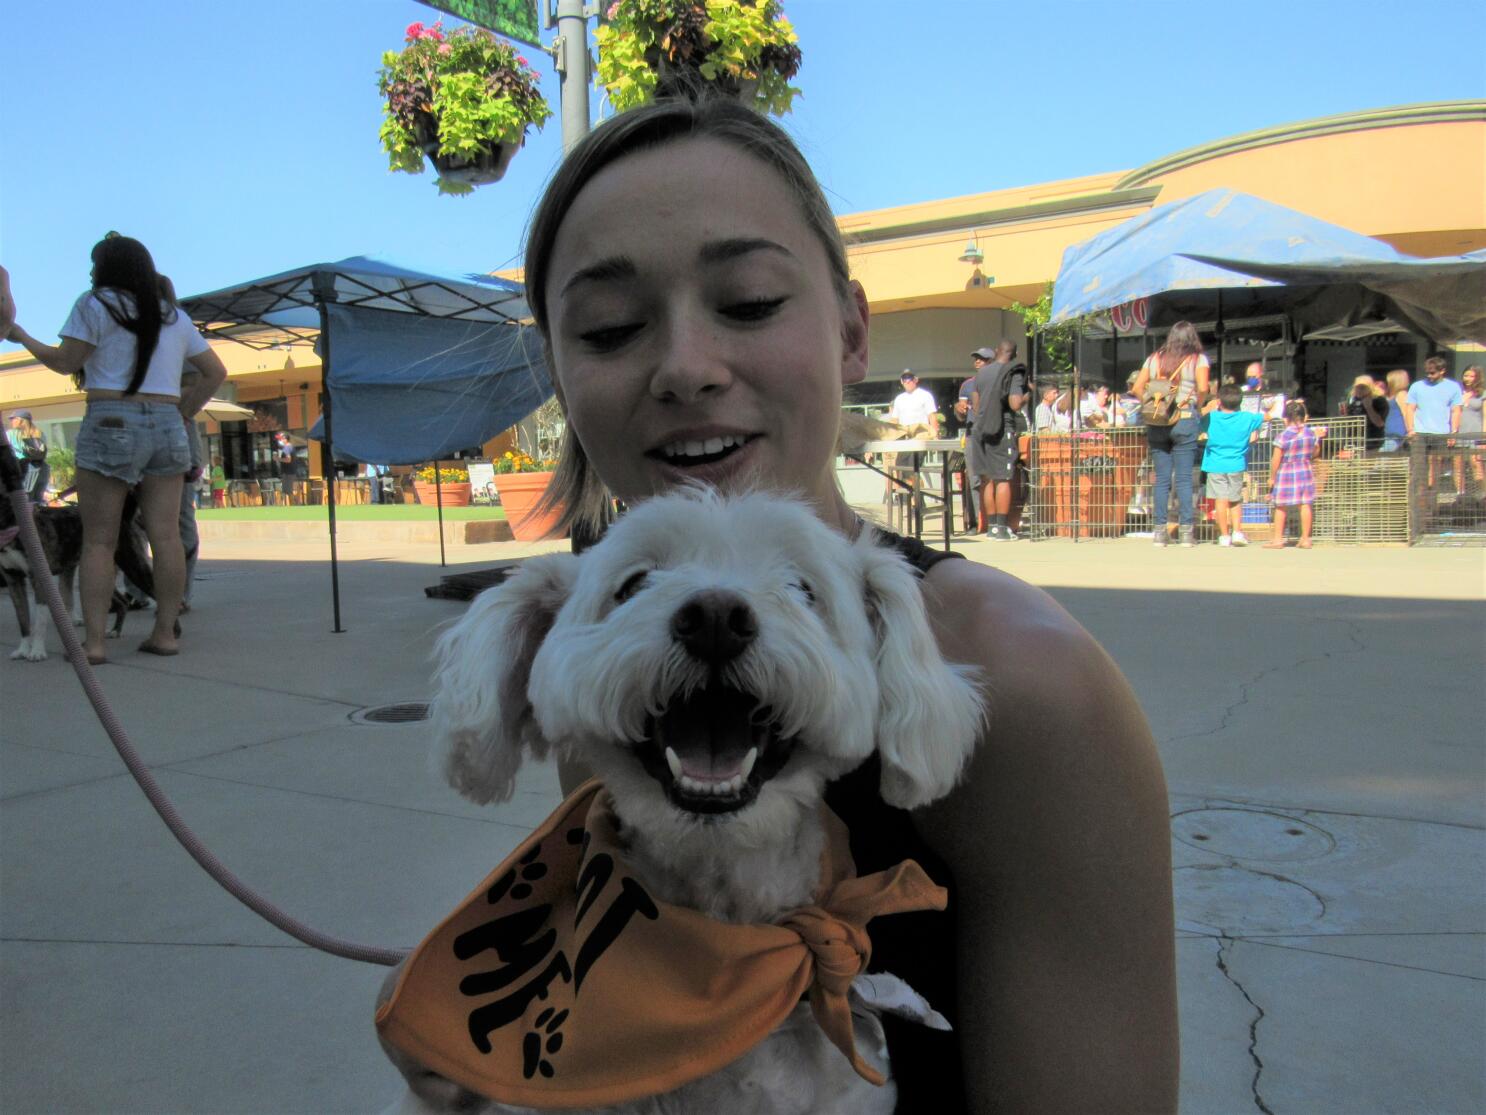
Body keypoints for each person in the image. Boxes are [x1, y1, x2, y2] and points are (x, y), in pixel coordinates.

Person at [513, 92, 1176, 1112]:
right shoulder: (599, 668)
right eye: (609, 327)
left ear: (853, 332)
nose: (686, 368)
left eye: (748, 303)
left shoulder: (1032, 688)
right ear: (555, 369)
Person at [5, 234, 227, 662]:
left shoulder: (94, 305)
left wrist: (22, 336)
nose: (90, 272)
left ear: (109, 269)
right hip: (165, 423)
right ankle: (165, 634)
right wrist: (183, 410)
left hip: (110, 417)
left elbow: (67, 362)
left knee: (99, 541)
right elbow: (214, 371)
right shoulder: (171, 315)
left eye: (95, 264)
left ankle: (94, 645)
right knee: (166, 537)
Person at [1131, 321, 1211, 547]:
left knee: (1161, 479)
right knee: (1185, 478)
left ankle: (1159, 532)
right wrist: (1196, 404)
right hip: (1184, 419)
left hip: (1157, 422)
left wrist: (1153, 403)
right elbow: (1203, 388)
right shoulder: (1198, 359)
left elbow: (1137, 387)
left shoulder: (1154, 358)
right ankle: (1186, 533)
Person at [970, 339, 1028, 540]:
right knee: (1003, 478)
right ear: (1015, 354)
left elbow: (976, 405)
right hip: (1002, 428)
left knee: (987, 479)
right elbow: (1014, 404)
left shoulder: (982, 373)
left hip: (980, 429)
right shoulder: (1014, 372)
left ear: (996, 352)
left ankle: (992, 526)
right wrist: (1028, 394)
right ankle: (1002, 528)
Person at [1199, 383, 1264, 546]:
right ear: (1239, 401)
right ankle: (1237, 532)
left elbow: (1197, 418)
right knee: (1235, 499)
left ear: (1219, 401)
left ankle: (1224, 535)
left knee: (1220, 500)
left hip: (1215, 464)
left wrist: (1209, 406)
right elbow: (1266, 416)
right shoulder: (1247, 418)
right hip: (1236, 463)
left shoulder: (1212, 417)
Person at [1266, 400, 1322, 549]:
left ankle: (1278, 539)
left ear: (1286, 418)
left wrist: (1272, 477)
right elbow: (1315, 452)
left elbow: (1276, 458)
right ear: (1304, 417)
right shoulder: (1311, 434)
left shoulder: (1283, 436)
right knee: (1305, 504)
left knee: (1280, 506)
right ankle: (1305, 538)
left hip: (1286, 472)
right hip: (1305, 469)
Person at [1405, 355, 1464, 496]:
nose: (1429, 376)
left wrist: (1453, 432)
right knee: (1418, 468)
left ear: (1442, 370)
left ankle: (1432, 501)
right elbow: (1410, 409)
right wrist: (1410, 429)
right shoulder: (1417, 386)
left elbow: (1456, 411)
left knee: (1435, 466)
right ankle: (1418, 502)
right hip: (1420, 433)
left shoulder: (1453, 387)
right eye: (1427, 373)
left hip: (1441, 433)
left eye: (1433, 373)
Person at [7, 409, 50, 504]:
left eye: (14, 419)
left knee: (26, 502)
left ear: (21, 420)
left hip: (26, 469)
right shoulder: (39, 433)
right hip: (43, 469)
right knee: (38, 501)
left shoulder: (11, 434)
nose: (11, 421)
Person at [1343, 374, 1389, 451]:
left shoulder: (1379, 400)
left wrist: (1369, 407)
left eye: (1363, 387)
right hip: (1353, 442)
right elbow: (1349, 421)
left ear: (1370, 387)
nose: (1359, 390)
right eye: (1357, 387)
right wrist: (1344, 415)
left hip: (1371, 443)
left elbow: (1380, 423)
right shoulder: (1353, 401)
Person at [1457, 366, 1483, 494]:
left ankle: (1483, 495)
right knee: (1457, 466)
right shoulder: (1457, 392)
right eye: (1466, 375)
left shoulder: (1482, 394)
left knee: (1476, 464)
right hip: (1458, 433)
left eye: (1471, 376)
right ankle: (1460, 495)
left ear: (1477, 377)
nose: (1468, 379)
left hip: (1476, 433)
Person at [1382, 368, 1412, 451]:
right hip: (1390, 433)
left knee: (1383, 459)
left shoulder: (1402, 394)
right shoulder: (1390, 396)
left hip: (1398, 433)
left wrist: (1410, 431)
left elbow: (1406, 413)